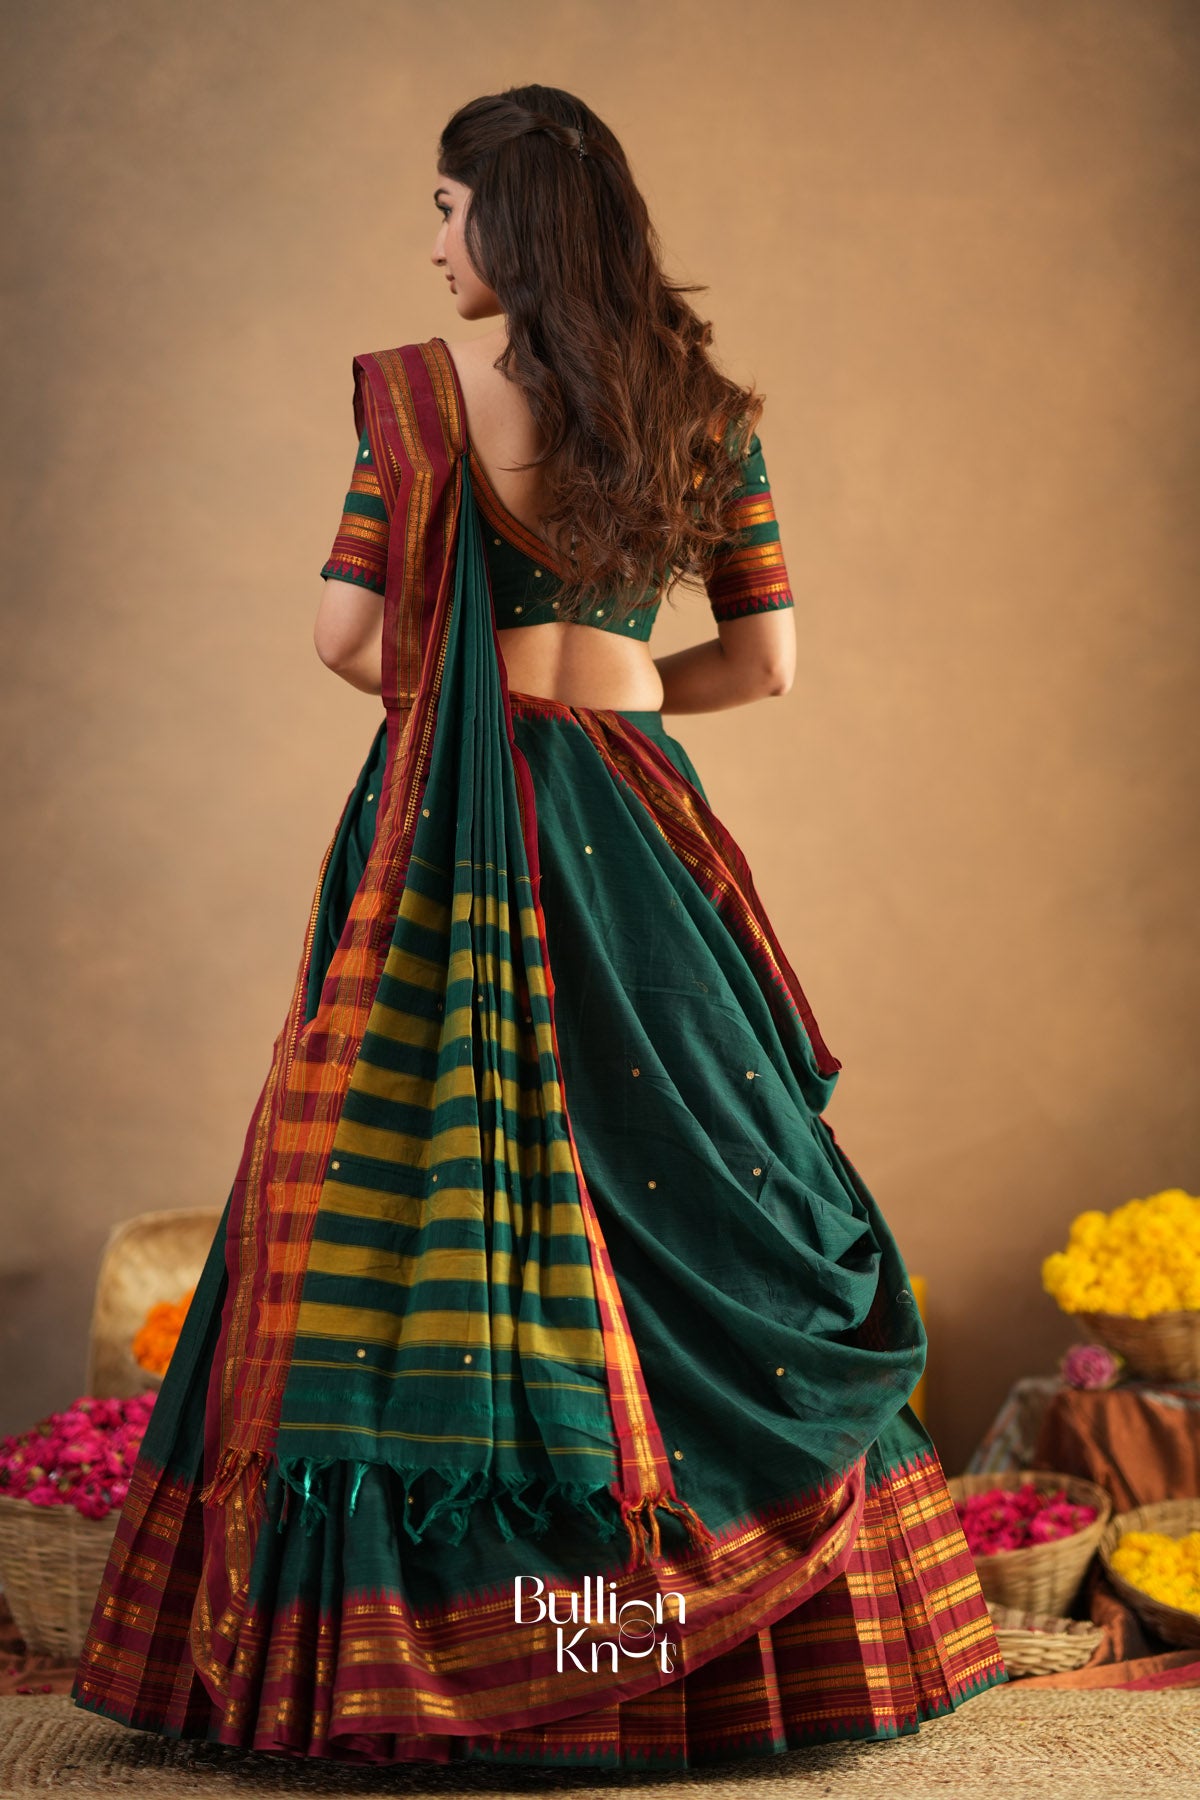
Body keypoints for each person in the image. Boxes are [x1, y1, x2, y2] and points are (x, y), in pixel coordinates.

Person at [73, 84, 1004, 1768]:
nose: (431, 247)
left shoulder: (415, 407)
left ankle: (440, 1653)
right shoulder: (705, 409)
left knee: (412, 1203)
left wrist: (482, 730)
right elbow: (767, 661)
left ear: (507, 222)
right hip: (636, 828)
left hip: (451, 831)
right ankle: (706, 1645)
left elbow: (350, 644)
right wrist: (622, 700)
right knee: (701, 1179)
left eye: (445, 211)